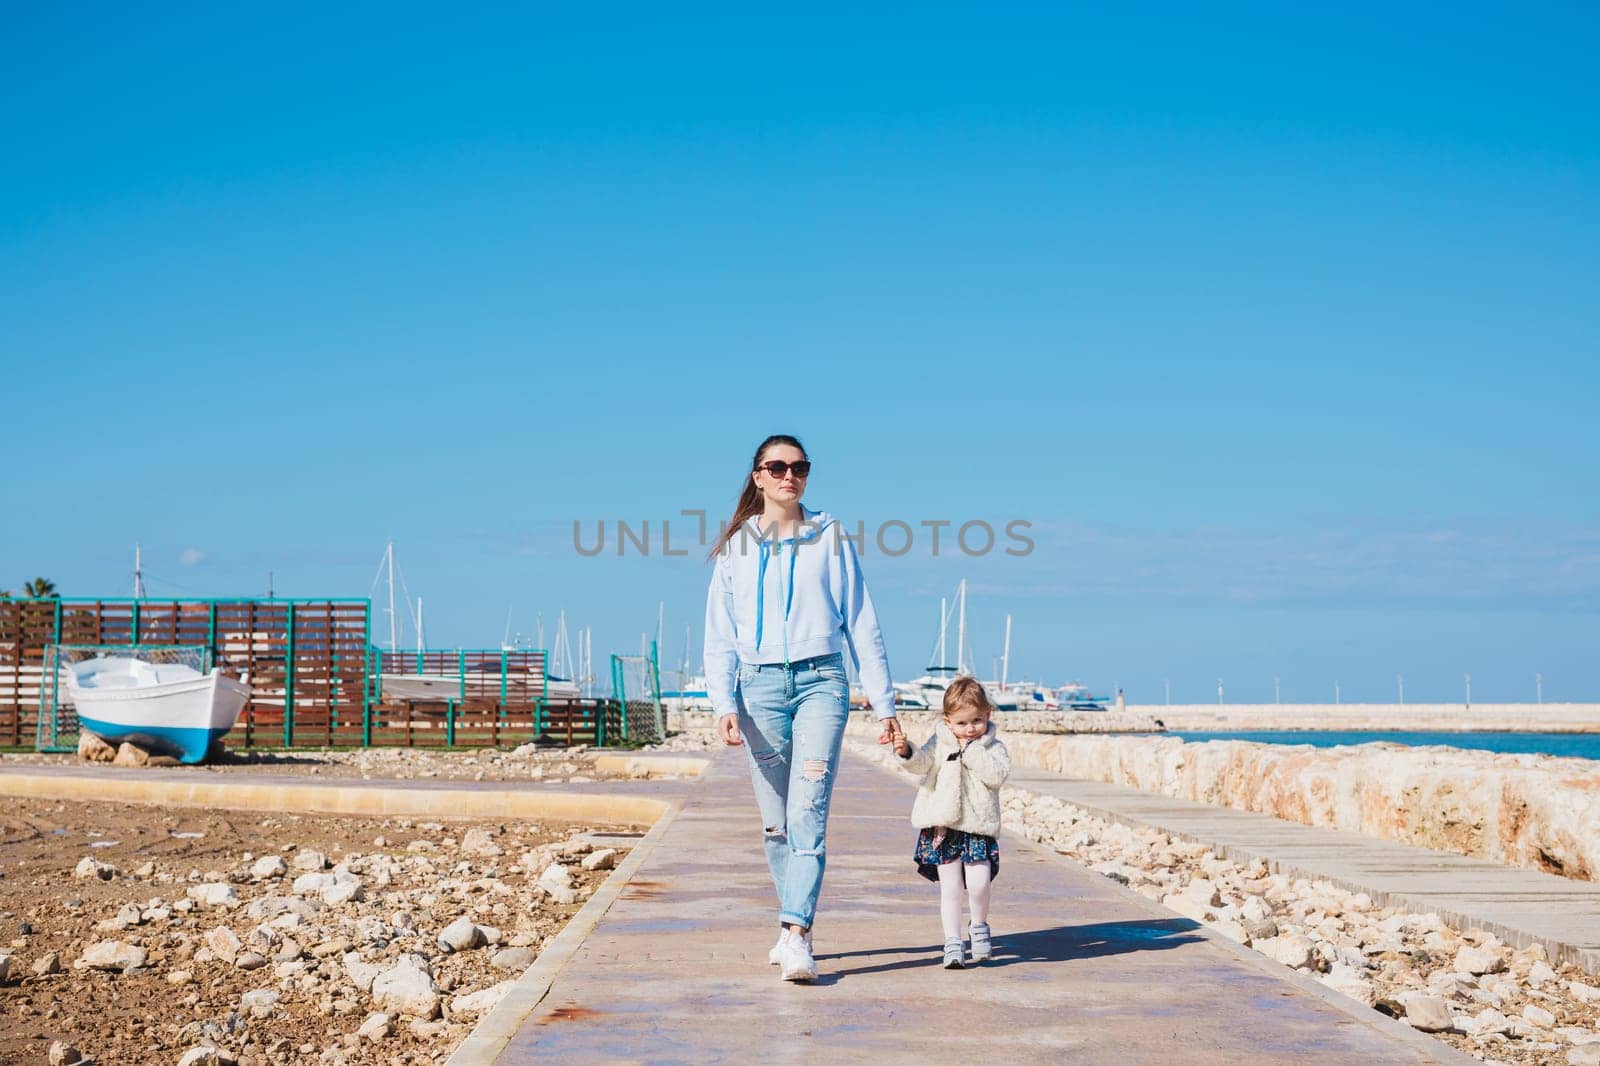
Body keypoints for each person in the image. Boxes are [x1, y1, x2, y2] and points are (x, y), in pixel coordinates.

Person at [703, 434, 902, 983]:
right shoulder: (736, 548)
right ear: (758, 476)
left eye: (800, 467)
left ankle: (797, 934)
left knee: (807, 811)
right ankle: (791, 918)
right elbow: (719, 636)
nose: (790, 476)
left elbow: (862, 620)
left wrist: (884, 703)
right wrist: (722, 701)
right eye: (778, 467)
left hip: (822, 683)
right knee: (775, 825)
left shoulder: (830, 536)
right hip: (758, 690)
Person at [892, 676, 1011, 968]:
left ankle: (979, 926)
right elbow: (920, 765)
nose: (970, 728)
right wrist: (906, 751)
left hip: (977, 827)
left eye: (977, 720)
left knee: (979, 882)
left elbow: (997, 776)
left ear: (988, 715)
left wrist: (973, 753)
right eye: (962, 723)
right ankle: (952, 942)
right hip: (943, 827)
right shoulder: (940, 742)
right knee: (951, 888)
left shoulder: (992, 746)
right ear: (947, 721)